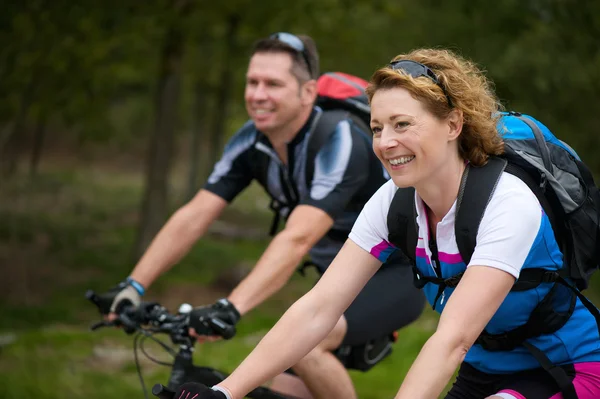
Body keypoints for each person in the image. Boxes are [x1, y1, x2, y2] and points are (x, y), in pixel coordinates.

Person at [171, 48, 600, 399]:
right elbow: (319, 309)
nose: (385, 143)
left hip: (567, 366)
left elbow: (451, 339)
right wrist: (226, 392)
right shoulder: (394, 200)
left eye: (402, 124)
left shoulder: (508, 202)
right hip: (484, 368)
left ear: (453, 124)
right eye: (376, 128)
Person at [100, 33, 425, 399]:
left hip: (395, 274)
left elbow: (298, 237)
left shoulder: (340, 138)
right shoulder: (251, 141)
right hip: (337, 276)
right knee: (282, 381)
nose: (257, 94)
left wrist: (231, 307)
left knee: (306, 345)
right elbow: (196, 214)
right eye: (252, 82)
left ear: (306, 93)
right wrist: (133, 285)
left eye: (273, 84)